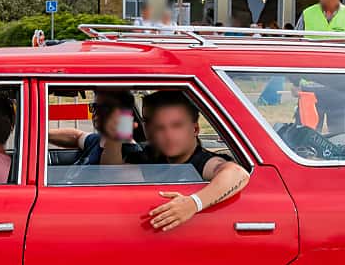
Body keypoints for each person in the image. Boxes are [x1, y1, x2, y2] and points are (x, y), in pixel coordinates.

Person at [139, 89, 249, 231]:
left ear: (195, 129)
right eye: (160, 128)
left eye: (177, 126)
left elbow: (238, 173)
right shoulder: (154, 157)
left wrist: (193, 203)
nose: (168, 135)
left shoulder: (202, 161)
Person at [47, 88, 139, 165]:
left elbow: (111, 175)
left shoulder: (132, 153)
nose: (95, 113)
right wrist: (41, 135)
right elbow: (76, 136)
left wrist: (116, 135)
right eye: (94, 107)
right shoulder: (99, 140)